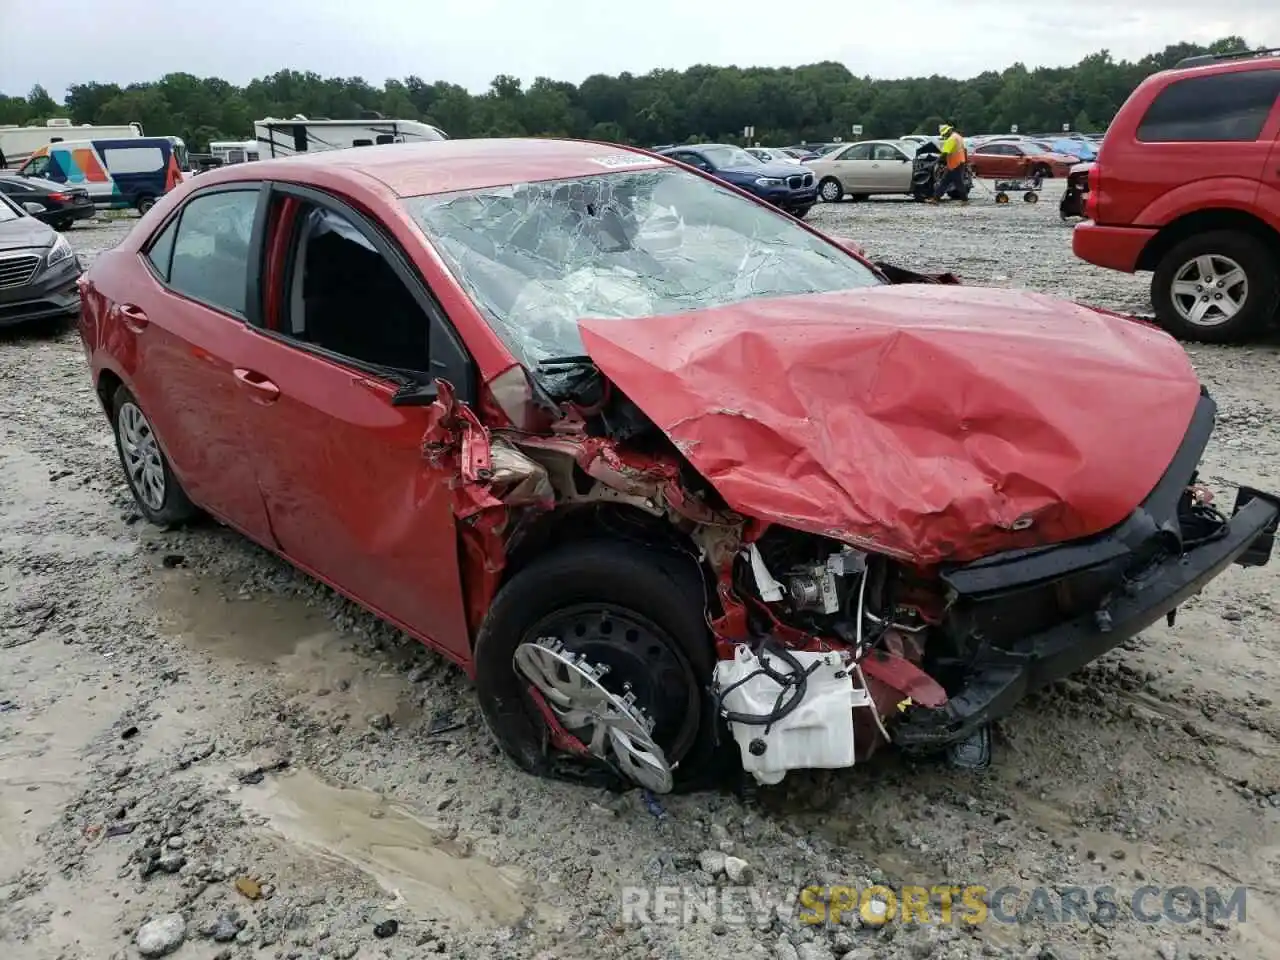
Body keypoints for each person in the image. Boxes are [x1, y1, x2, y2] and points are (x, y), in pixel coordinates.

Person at [931, 123, 968, 202]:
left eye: (945, 134)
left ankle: (964, 200)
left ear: (949, 131)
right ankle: (935, 198)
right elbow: (964, 150)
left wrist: (935, 162)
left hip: (954, 165)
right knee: (946, 182)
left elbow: (945, 153)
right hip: (960, 162)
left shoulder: (951, 140)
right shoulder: (958, 137)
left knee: (956, 183)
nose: (945, 136)